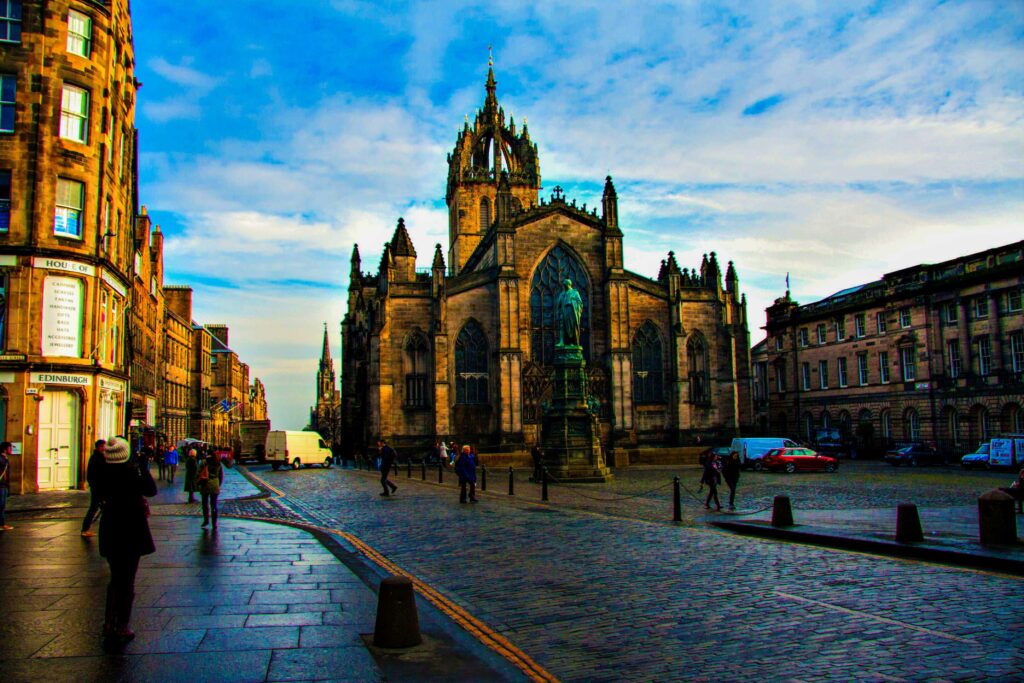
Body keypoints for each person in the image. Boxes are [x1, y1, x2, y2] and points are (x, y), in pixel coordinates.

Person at [95, 436, 157, 648]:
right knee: (127, 581)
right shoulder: (131, 474)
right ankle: (122, 626)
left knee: (115, 579)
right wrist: (142, 466)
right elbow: (151, 490)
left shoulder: (102, 472)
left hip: (110, 529)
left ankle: (108, 624)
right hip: (131, 530)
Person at [81, 440, 106, 537]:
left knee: (96, 508)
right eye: (102, 447)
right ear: (98, 447)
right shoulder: (97, 458)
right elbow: (95, 475)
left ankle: (86, 528)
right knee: (94, 508)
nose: (103, 449)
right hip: (98, 488)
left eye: (104, 447)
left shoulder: (97, 457)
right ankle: (85, 529)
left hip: (97, 487)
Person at [199, 452, 223, 530]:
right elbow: (221, 476)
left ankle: (206, 520)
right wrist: (218, 484)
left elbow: (199, 473)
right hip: (215, 485)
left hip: (205, 484)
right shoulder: (218, 464)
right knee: (214, 505)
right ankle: (214, 523)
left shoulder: (204, 462)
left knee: (205, 504)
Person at [0, 441, 12, 531]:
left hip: (4, 484)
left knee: (2, 505)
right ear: (5, 449)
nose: (11, 449)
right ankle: (1, 524)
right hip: (1, 484)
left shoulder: (5, 458)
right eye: (9, 448)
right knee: (1, 505)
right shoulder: (2, 458)